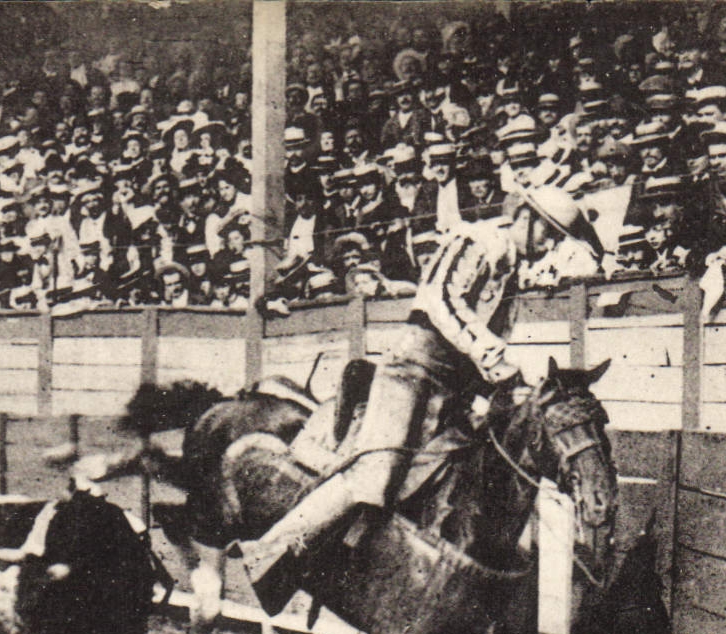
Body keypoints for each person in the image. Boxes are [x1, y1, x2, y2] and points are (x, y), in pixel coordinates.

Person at [236, 186, 603, 588]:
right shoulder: (478, 239)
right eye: (548, 233)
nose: (549, 245)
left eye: (555, 238)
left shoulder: (510, 272)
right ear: (527, 218)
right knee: (378, 472)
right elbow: (441, 299)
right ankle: (269, 549)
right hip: (412, 370)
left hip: (457, 388)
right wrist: (489, 352)